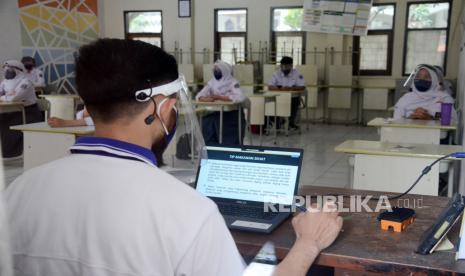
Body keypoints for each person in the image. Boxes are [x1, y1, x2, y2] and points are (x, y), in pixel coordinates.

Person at [4, 39, 342, 276]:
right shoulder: (187, 210)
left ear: (89, 106)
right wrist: (309, 243)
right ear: (163, 109)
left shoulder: (20, 190)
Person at [196, 60, 246, 145]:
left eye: (218, 70)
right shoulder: (212, 82)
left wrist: (219, 97)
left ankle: (226, 147)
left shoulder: (233, 82)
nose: (215, 72)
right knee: (206, 121)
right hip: (215, 112)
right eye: (214, 70)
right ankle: (211, 147)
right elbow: (199, 95)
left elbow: (240, 97)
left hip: (232, 113)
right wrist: (204, 99)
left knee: (220, 123)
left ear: (224, 71)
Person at [0, 60, 42, 158]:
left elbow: (14, 98)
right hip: (11, 112)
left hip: (28, 113)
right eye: (5, 69)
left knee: (5, 125)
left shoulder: (26, 82)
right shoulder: (5, 82)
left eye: (9, 69)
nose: (7, 71)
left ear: (18, 70)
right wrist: (6, 97)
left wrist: (5, 97)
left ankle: (10, 154)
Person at [268, 56, 305, 130]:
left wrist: (291, 88)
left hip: (292, 97)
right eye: (282, 66)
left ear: (291, 66)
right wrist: (280, 89)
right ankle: (279, 121)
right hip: (278, 96)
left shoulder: (297, 73)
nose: (284, 68)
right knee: (269, 104)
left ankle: (291, 123)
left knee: (295, 101)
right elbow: (270, 86)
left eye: (286, 66)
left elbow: (302, 87)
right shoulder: (276, 73)